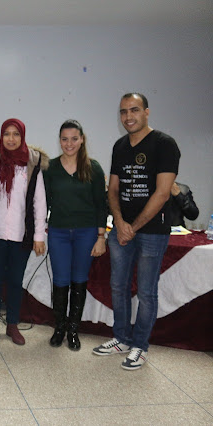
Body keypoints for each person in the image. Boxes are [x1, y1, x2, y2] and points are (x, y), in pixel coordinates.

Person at [93, 93, 180, 370]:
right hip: (121, 229)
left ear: (146, 112)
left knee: (146, 291)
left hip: (152, 232)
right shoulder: (120, 146)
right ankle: (121, 338)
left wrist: (133, 228)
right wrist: (119, 223)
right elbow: (113, 189)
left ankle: (140, 346)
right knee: (118, 286)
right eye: (123, 112)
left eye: (134, 110)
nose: (128, 116)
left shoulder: (164, 144)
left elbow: (163, 193)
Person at [0, 118, 48, 346]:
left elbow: (39, 202)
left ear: (22, 137)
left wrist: (38, 236)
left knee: (15, 281)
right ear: (1, 136)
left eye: (16, 134)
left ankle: (12, 324)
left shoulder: (32, 164)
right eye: (7, 134)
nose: (11, 139)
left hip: (21, 235)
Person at [43, 120, 107, 350]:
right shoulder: (50, 168)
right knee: (60, 280)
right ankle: (59, 328)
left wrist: (101, 237)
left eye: (74, 138)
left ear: (82, 140)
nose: (69, 143)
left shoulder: (94, 168)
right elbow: (43, 202)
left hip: (86, 233)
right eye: (64, 139)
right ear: (59, 141)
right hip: (58, 233)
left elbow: (101, 204)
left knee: (79, 280)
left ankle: (73, 330)